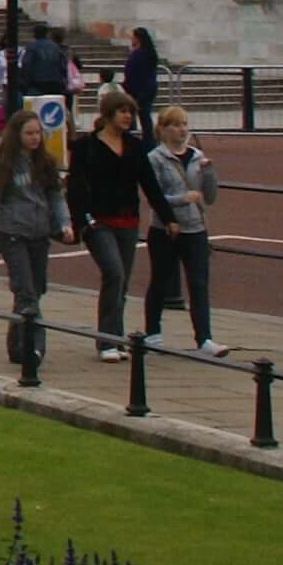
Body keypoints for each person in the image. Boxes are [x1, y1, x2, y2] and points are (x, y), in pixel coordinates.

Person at [0, 105, 73, 371]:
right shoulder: (6, 164)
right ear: (17, 134)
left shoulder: (45, 163)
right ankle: (35, 347)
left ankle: (16, 344)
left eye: (37, 133)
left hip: (39, 235)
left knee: (34, 291)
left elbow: (55, 196)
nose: (34, 138)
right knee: (26, 291)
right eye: (29, 133)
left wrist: (64, 223)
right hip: (13, 235)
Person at [67, 85, 160, 362]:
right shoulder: (86, 147)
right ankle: (106, 340)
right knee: (114, 273)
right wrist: (82, 220)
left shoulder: (134, 146)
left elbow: (149, 184)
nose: (128, 117)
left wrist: (168, 218)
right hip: (98, 222)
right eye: (123, 111)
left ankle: (116, 339)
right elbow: (76, 186)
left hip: (128, 220)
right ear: (108, 114)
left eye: (130, 112)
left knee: (123, 282)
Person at [139, 105, 226, 357]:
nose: (182, 130)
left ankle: (204, 338)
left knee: (198, 283)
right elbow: (154, 195)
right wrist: (180, 199)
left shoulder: (198, 157)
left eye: (184, 124)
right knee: (161, 280)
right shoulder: (155, 158)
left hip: (195, 228)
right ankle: (152, 333)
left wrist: (209, 173)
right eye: (176, 125)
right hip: (165, 228)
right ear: (163, 130)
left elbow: (209, 197)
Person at [120, 27, 161, 141]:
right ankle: (148, 141)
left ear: (138, 39)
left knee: (137, 116)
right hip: (147, 89)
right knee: (144, 116)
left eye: (133, 37)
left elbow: (132, 73)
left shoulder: (139, 54)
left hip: (138, 90)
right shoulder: (149, 53)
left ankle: (139, 141)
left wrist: (126, 87)